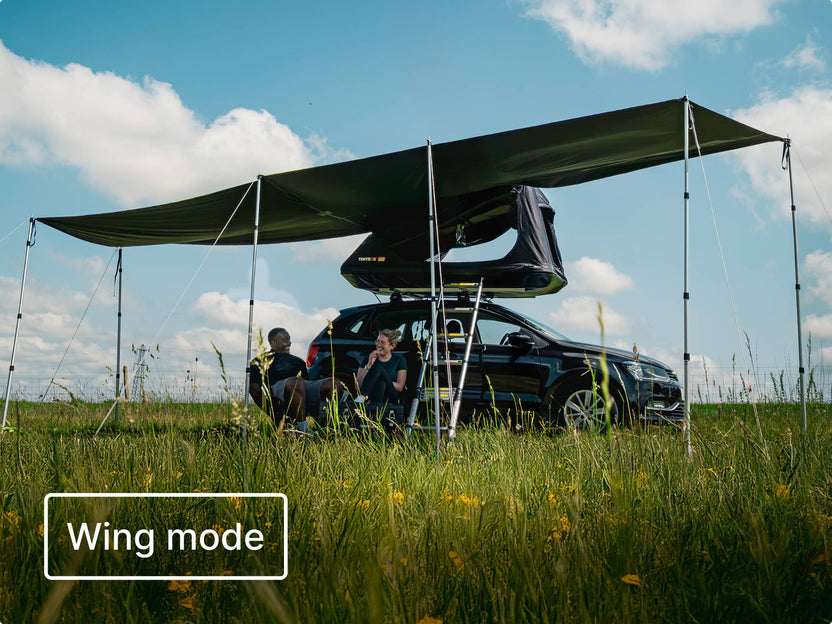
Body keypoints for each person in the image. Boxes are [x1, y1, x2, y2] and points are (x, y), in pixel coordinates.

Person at [249, 327, 344, 430]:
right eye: (284, 340)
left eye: (289, 339)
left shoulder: (298, 362)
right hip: (280, 390)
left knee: (335, 383)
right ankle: (303, 430)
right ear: (272, 343)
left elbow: (307, 382)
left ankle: (327, 427)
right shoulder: (261, 361)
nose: (288, 343)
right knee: (297, 383)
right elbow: (253, 388)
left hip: (302, 386)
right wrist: (272, 411)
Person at [356, 329, 407, 406]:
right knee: (381, 383)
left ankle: (361, 398)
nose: (378, 345)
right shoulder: (369, 358)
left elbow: (400, 387)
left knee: (378, 370)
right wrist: (369, 364)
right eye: (377, 341)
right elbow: (359, 385)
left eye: (382, 342)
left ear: (392, 346)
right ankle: (377, 413)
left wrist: (378, 378)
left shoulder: (399, 359)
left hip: (392, 396)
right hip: (372, 396)